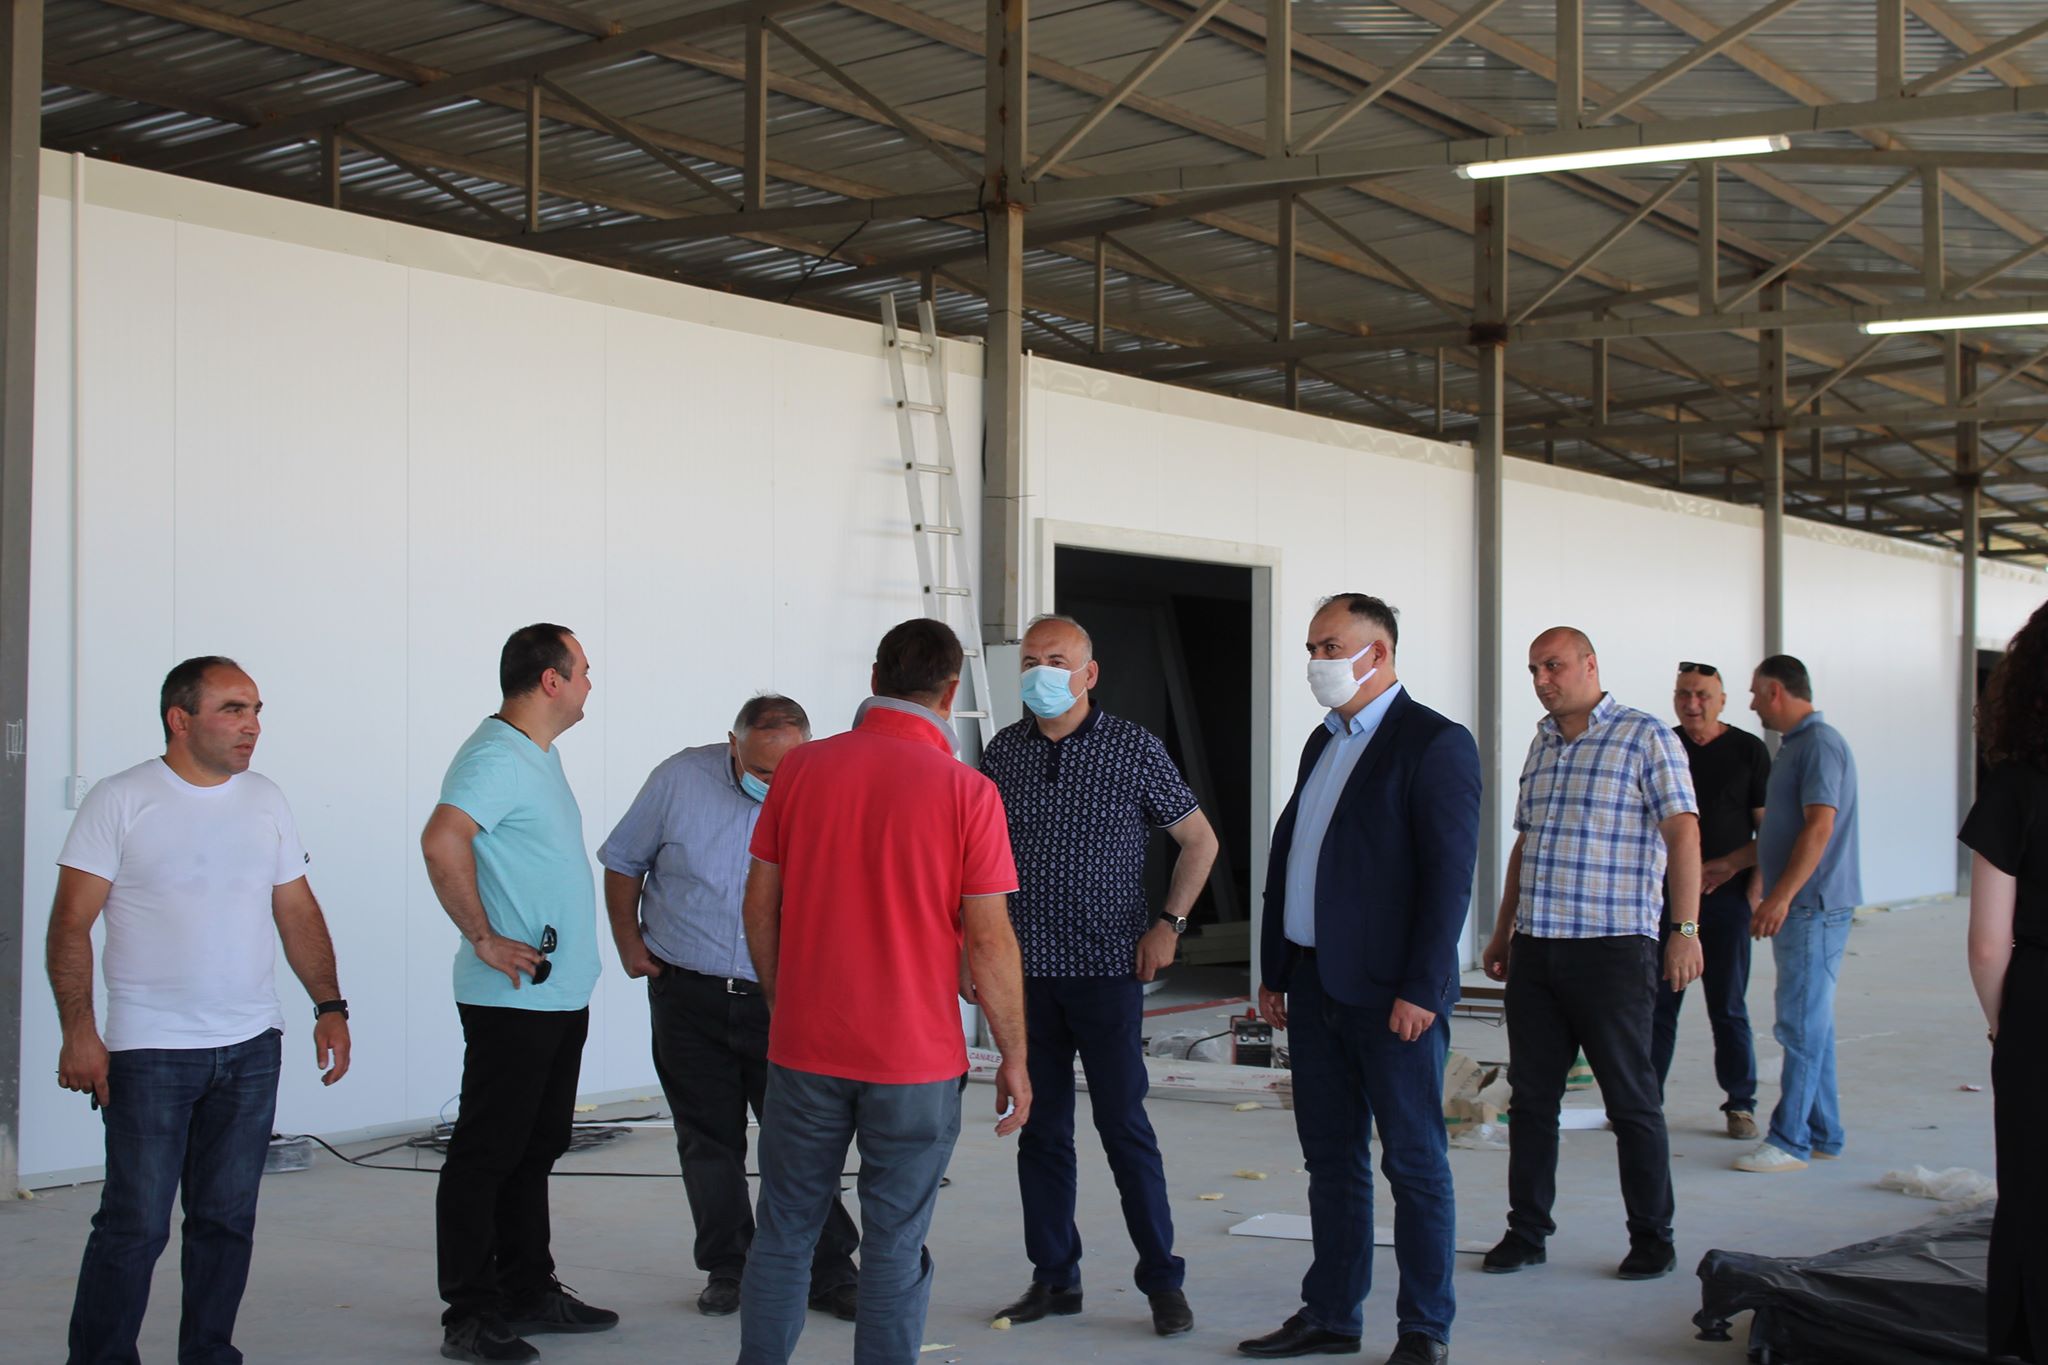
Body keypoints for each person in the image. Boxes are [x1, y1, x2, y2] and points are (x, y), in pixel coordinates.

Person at [737, 618, 1033, 1365]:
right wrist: (1014, 1055)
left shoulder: (801, 771)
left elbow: (760, 905)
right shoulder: (969, 792)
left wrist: (781, 1000)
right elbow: (991, 942)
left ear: (874, 678)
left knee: (785, 1231)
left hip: (806, 1045)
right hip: (914, 1059)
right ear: (952, 691)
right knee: (896, 1241)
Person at [49, 655, 353, 1365]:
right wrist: (79, 1033)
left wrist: (330, 1004)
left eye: (256, 710)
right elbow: (70, 924)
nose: (252, 726)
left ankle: (210, 1353)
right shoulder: (121, 799)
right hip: (149, 1049)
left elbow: (296, 909)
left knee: (226, 1221)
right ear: (179, 719)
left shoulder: (266, 798)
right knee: (135, 1224)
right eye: (232, 709)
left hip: (251, 1046)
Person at [1238, 595, 1481, 1365]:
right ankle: (1332, 1314)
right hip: (1314, 985)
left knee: (1413, 1162)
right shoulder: (1324, 740)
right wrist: (1276, 966)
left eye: (1330, 646)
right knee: (1331, 1160)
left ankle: (1424, 1327)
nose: (1316, 660)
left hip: (1390, 995)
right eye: (1312, 647)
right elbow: (1298, 856)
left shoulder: (1434, 742)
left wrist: (1424, 986)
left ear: (1377, 652)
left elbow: (1449, 878)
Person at [979, 614, 1216, 1340]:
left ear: (1089, 673)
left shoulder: (1132, 748)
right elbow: (971, 861)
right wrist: (972, 951)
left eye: (1057, 660)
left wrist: (1169, 923)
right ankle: (1055, 1276)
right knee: (1041, 1132)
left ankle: (1162, 1280)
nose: (1041, 672)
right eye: (1030, 660)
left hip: (1107, 971)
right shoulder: (1002, 753)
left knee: (1124, 1128)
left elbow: (1199, 840)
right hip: (1025, 978)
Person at [597, 694, 860, 1321]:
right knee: (707, 1139)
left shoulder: (826, 788)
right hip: (689, 994)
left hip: (783, 998)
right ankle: (729, 1267)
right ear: (732, 744)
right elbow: (623, 861)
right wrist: (629, 942)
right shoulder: (678, 780)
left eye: (786, 770)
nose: (774, 783)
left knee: (803, 1138)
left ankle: (828, 1269)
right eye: (761, 768)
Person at [421, 624, 619, 1363]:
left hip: (552, 994)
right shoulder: (496, 758)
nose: (591, 683)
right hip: (511, 996)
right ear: (550, 680)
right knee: (487, 1153)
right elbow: (441, 838)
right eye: (584, 670)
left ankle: (527, 1288)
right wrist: (483, 936)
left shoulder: (536, 754)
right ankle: (470, 1314)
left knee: (534, 1148)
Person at [1480, 627, 1702, 1282]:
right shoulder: (1542, 743)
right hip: (1538, 948)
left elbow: (1683, 832)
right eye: (1533, 669)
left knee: (1631, 1099)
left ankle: (1652, 1237)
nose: (1542, 679)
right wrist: (1503, 931)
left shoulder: (1643, 736)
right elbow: (1526, 844)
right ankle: (1527, 1231)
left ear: (1590, 665)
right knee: (1531, 1100)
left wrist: (1685, 928)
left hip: (1612, 949)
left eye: (1553, 665)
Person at [1732, 655, 1862, 1175]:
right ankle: (1823, 1131)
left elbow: (1819, 827)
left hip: (1813, 907)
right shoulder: (1796, 747)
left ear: (1776, 691)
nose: (1752, 704)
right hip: (1804, 905)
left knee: (1800, 1026)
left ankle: (1789, 1140)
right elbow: (1783, 830)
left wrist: (1781, 896)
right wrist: (1737, 865)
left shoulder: (1820, 746)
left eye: (1755, 693)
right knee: (1813, 1023)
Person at [1962, 599, 2048, 1364]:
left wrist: (2003, 1024)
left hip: (2038, 1009)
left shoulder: (2015, 786)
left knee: (2032, 1189)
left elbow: (1989, 943)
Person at [1651, 662, 1769, 1139]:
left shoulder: (1748, 751)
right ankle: (1645, 1103)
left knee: (1728, 1007)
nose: (1692, 703)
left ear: (1722, 700)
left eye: (1702, 694)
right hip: (1666, 903)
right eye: (1683, 694)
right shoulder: (1663, 745)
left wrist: (1749, 886)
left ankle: (1740, 1104)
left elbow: (1770, 831)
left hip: (1726, 901)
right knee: (1658, 1007)